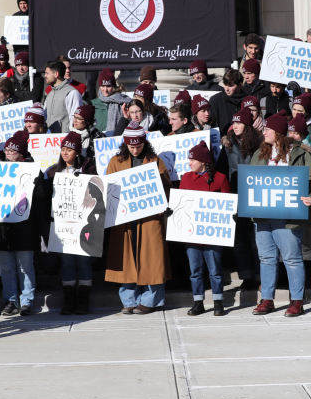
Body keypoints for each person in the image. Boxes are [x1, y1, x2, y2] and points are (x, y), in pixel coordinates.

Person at [249, 112, 311, 317]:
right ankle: (267, 299)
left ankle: (296, 301)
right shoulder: (259, 154)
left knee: (291, 258)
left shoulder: (299, 154)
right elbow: (251, 180)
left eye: (267, 129)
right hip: (262, 215)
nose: (263, 132)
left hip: (288, 216)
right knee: (266, 258)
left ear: (278, 133)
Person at [105, 122, 172, 314]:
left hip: (150, 219)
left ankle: (151, 300)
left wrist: (162, 204)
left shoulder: (155, 161)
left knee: (152, 257)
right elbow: (109, 188)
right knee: (126, 257)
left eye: (139, 146)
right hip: (125, 219)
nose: (135, 150)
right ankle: (128, 299)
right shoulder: (115, 162)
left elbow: (166, 187)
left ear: (145, 143)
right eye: (131, 146)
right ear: (125, 144)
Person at [46, 131, 98, 315]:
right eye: (63, 149)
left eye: (69, 149)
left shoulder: (89, 169)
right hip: (64, 225)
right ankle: (69, 300)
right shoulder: (53, 172)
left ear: (77, 151)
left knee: (84, 262)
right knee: (67, 262)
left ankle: (83, 300)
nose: (65, 153)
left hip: (84, 224)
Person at [0, 131, 45, 316]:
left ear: (21, 153)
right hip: (3, 228)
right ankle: (10, 301)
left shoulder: (33, 170)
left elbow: (40, 197)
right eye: (6, 149)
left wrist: (37, 182)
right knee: (7, 268)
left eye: (12, 150)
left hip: (26, 226)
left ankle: (27, 301)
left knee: (25, 267)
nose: (7, 152)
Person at [178, 142, 231, 316]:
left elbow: (228, 206)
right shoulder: (186, 178)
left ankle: (218, 302)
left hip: (212, 234)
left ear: (203, 161)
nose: (189, 163)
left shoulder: (221, 178)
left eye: (192, 159)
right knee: (195, 271)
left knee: (215, 270)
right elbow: (181, 205)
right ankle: (198, 302)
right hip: (192, 234)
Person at [217, 110, 263, 290]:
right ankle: (246, 276)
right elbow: (221, 170)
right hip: (235, 197)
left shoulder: (259, 145)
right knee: (239, 240)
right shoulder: (228, 145)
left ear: (247, 126)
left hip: (254, 197)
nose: (235, 126)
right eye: (233, 123)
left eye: (239, 123)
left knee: (255, 239)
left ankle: (260, 278)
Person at [43, 59, 81, 133]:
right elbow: (45, 119)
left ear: (56, 74)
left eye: (47, 73)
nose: (45, 76)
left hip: (65, 140)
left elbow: (75, 121)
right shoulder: (49, 94)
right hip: (49, 141)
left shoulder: (72, 93)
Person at [92, 68, 129, 136]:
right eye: (103, 86)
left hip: (117, 141)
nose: (105, 90)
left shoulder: (123, 102)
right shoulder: (92, 104)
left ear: (113, 87)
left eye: (108, 86)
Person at [209, 69, 247, 135]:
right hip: (223, 141)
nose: (227, 89)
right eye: (225, 84)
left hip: (244, 140)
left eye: (231, 85)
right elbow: (212, 125)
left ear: (240, 85)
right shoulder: (215, 100)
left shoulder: (248, 100)